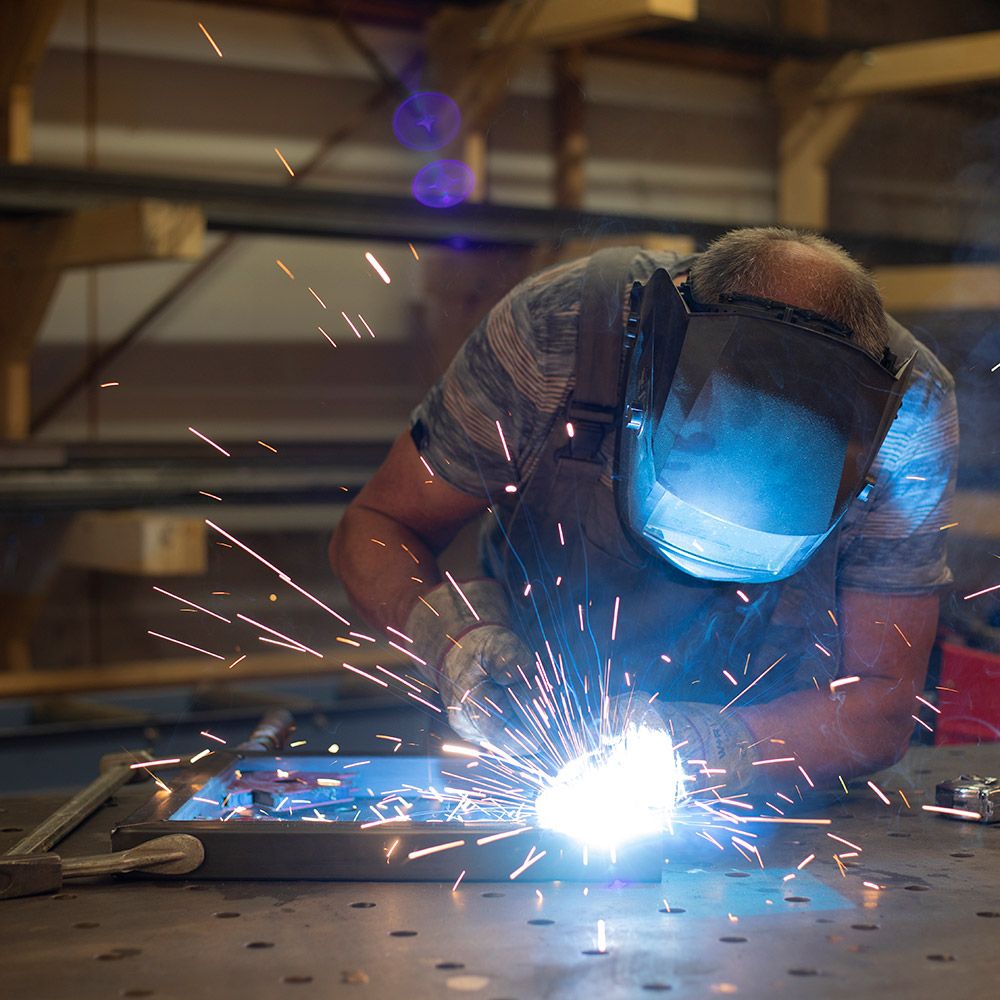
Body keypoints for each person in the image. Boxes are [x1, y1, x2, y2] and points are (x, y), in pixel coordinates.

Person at [330, 227, 958, 797]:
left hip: (772, 785)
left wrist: (715, 747)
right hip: (528, 750)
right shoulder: (560, 332)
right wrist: (460, 643)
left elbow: (881, 704)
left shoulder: (909, 418)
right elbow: (378, 528)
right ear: (647, 372)